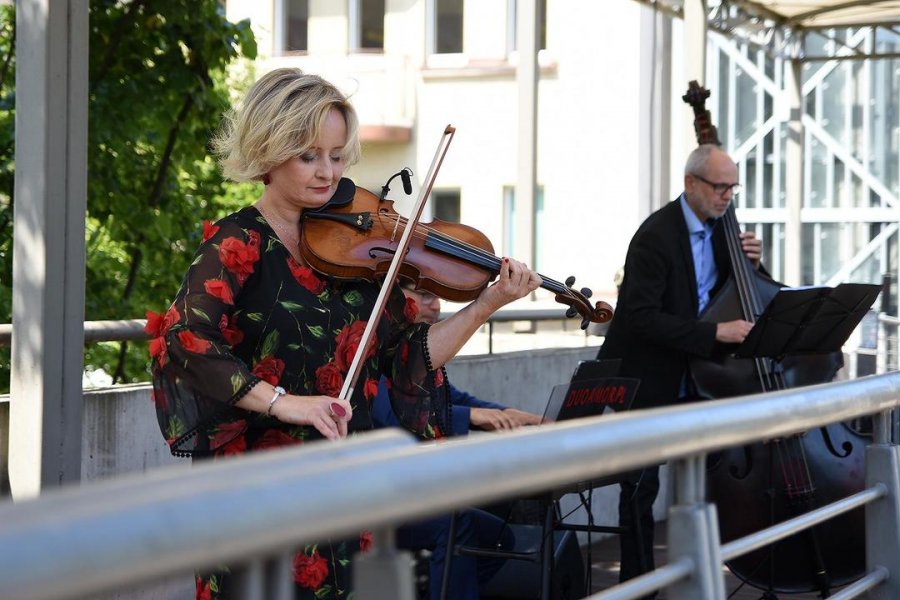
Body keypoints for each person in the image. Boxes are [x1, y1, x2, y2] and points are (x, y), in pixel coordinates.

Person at [146, 67, 542, 600]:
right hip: (258, 488)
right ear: (268, 152)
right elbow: (187, 341)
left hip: (342, 483)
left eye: (336, 155)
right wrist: (285, 402)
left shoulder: (354, 249)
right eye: (308, 155)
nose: (327, 172)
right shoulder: (238, 243)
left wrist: (486, 304)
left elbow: (409, 358)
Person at [596, 144, 762, 591]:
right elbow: (641, 317)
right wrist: (715, 335)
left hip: (698, 375)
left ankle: (702, 573)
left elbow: (734, 294)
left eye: (733, 188)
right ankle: (638, 583)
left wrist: (752, 265)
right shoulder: (656, 235)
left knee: (702, 480)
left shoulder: (722, 232)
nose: (728, 196)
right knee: (640, 488)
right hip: (645, 375)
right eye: (719, 186)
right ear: (691, 184)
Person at [369, 282, 542, 599]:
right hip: (373, 499)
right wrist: (472, 417)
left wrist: (516, 415)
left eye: (437, 296)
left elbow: (452, 398)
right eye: (424, 295)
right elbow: (389, 420)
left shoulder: (419, 357)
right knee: (457, 523)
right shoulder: (375, 349)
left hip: (408, 490)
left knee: (497, 536)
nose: (436, 305)